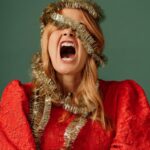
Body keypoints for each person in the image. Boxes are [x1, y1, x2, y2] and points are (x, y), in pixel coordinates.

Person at [0, 0, 150, 149]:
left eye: (79, 28)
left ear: (92, 47)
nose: (68, 32)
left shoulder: (122, 100)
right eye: (60, 26)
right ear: (47, 42)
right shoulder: (19, 101)